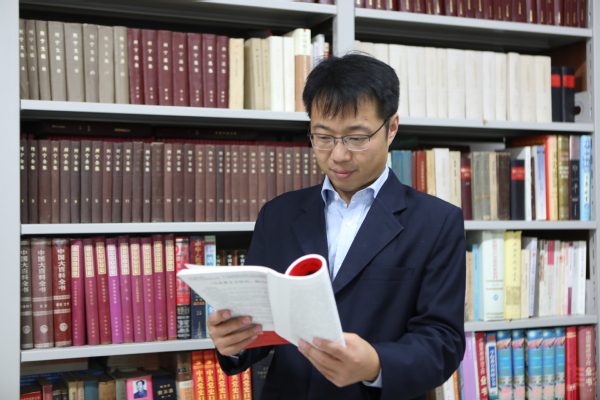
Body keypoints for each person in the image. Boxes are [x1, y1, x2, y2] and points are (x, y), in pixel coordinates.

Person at [209, 53, 466, 400]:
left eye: (356, 138)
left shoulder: (437, 221)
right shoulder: (278, 215)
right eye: (323, 136)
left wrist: (376, 364)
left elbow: (443, 342)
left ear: (391, 128)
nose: (339, 155)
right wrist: (233, 342)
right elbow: (260, 327)